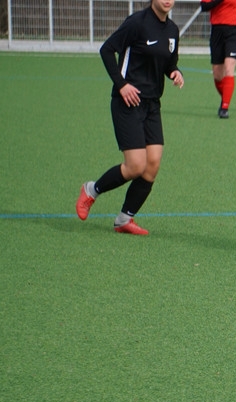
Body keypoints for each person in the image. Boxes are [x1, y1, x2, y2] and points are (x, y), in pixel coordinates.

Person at [75, 0, 184, 236]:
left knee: (152, 165)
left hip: (152, 105)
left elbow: (169, 63)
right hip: (127, 102)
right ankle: (91, 190)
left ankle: (125, 219)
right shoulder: (136, 23)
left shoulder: (173, 30)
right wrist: (122, 85)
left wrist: (175, 72)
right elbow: (106, 50)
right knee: (135, 165)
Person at [200, 0, 236, 118]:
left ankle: (224, 107)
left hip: (233, 32)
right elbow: (204, 6)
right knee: (217, 74)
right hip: (216, 31)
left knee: (229, 68)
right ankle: (225, 98)